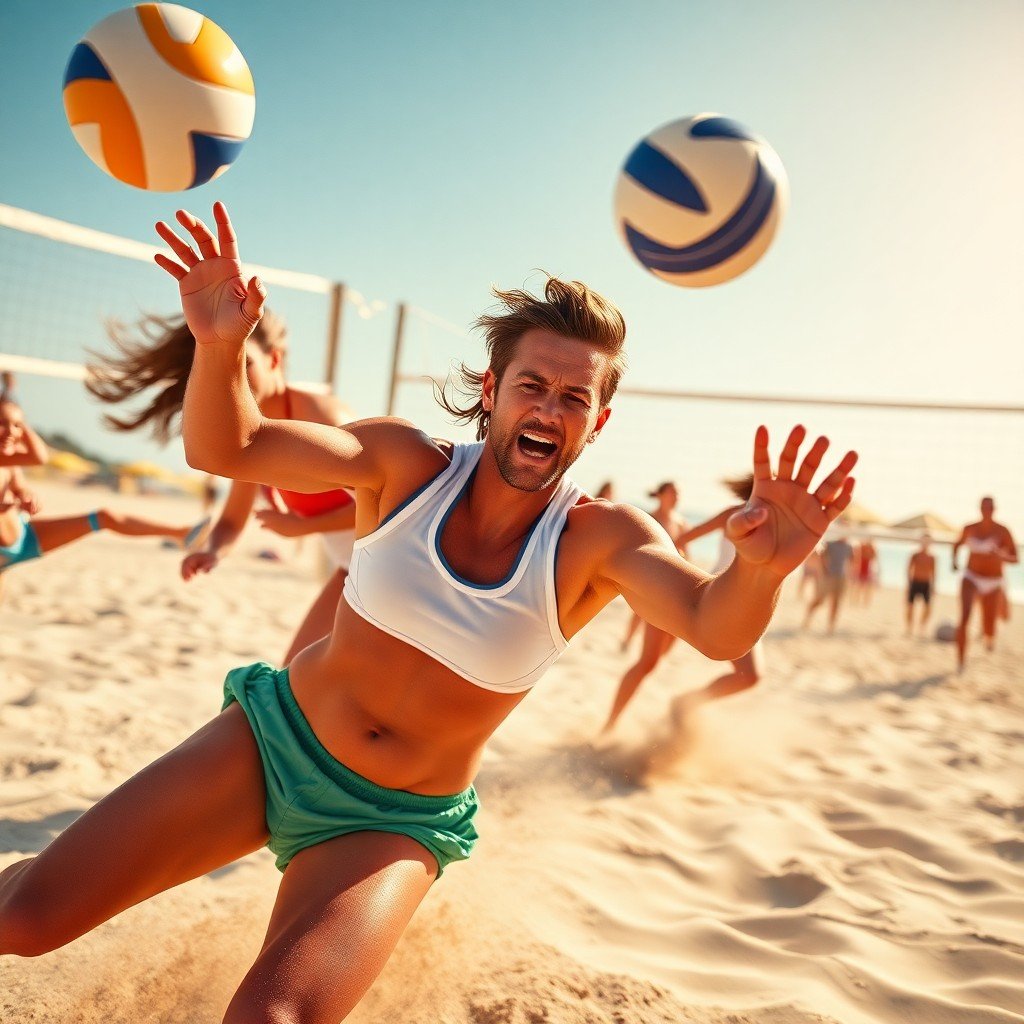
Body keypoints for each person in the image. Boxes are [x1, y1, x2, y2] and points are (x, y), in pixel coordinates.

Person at [0, 204, 857, 1023]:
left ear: (598, 422)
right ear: (492, 389)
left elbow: (715, 628)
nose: (549, 409)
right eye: (533, 385)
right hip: (272, 743)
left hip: (393, 821)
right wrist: (220, 348)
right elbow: (228, 446)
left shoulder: (601, 539)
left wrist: (761, 568)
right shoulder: (402, 462)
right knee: (28, 921)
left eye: (574, 398)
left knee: (272, 1016)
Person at [87, 307, 357, 665]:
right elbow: (232, 519)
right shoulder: (250, 436)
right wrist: (212, 551)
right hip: (351, 567)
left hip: (394, 560)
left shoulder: (320, 416)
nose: (235, 379)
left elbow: (387, 502)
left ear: (274, 359)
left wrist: (306, 527)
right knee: (292, 675)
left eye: (245, 365)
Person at [0, 394, 204, 581]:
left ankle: (182, 534)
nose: (11, 432)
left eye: (18, 425)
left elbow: (29, 475)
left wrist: (27, 496)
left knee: (104, 517)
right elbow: (39, 456)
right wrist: (13, 418)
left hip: (27, 538)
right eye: (2, 423)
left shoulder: (9, 463)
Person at [618, 481, 689, 653]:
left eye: (678, 493)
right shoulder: (649, 519)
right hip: (649, 573)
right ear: (660, 495)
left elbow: (686, 552)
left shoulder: (680, 522)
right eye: (673, 492)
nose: (676, 497)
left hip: (672, 577)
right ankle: (628, 641)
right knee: (640, 612)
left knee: (661, 615)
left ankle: (655, 653)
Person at [952, 497, 1018, 669]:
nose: (986, 511)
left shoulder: (1003, 531)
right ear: (979, 509)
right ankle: (960, 661)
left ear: (994, 509)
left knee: (989, 625)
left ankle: (989, 637)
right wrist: (954, 562)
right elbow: (957, 544)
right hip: (971, 576)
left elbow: (1016, 558)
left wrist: (1002, 556)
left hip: (994, 581)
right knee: (964, 617)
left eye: (989, 508)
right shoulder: (970, 528)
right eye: (983, 507)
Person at [803, 534, 855, 632]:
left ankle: (831, 626)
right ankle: (807, 618)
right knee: (819, 600)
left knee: (836, 602)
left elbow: (853, 561)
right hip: (827, 577)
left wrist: (850, 576)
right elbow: (820, 557)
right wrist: (823, 571)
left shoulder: (849, 547)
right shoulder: (830, 544)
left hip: (841, 577)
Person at [906, 533, 936, 637]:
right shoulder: (915, 555)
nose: (925, 543)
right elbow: (909, 569)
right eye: (924, 541)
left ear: (930, 543)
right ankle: (909, 627)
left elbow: (934, 573)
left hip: (926, 583)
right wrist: (908, 584)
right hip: (915, 582)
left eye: (927, 541)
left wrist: (934, 586)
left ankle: (922, 626)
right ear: (920, 542)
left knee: (928, 608)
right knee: (910, 606)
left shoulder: (932, 557)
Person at [852, 536, 878, 606]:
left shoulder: (870, 549)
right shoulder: (863, 548)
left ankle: (865, 601)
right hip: (861, 569)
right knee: (860, 586)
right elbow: (856, 556)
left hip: (867, 570)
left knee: (866, 586)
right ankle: (857, 600)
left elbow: (874, 557)